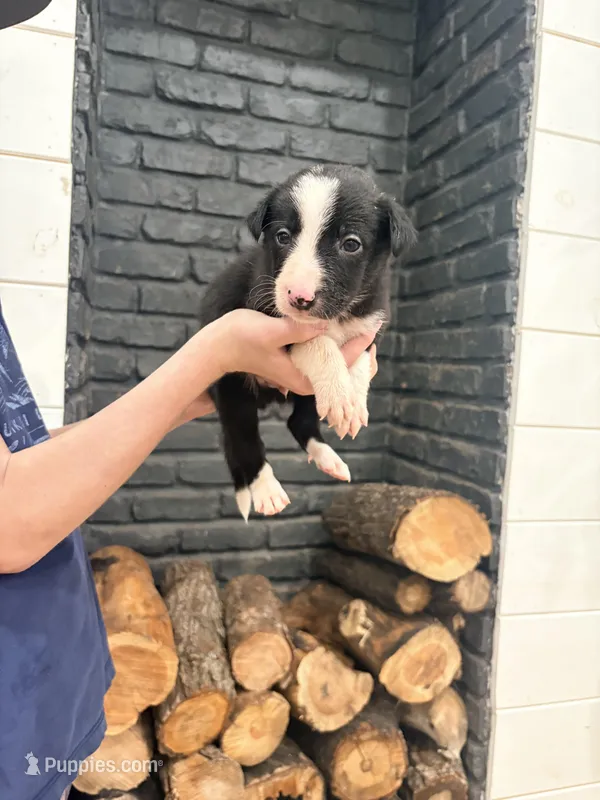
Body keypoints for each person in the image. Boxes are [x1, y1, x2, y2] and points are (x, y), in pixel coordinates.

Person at [0, 6, 378, 786]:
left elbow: (22, 466)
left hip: (49, 699)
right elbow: (9, 526)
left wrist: (198, 392)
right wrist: (214, 354)